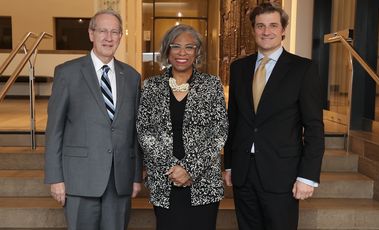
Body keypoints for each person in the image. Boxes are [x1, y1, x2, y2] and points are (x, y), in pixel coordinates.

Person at [224, 3, 324, 230]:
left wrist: (307, 176)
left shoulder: (303, 69)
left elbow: (314, 128)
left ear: (282, 30)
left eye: (272, 25)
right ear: (253, 30)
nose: (266, 31)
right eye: (260, 26)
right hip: (243, 172)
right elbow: (234, 120)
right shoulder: (239, 68)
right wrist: (229, 164)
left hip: (282, 173)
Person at [44, 9, 142, 230]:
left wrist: (136, 176)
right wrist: (55, 178)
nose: (108, 37)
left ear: (120, 37)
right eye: (103, 31)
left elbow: (135, 133)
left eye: (114, 32)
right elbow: (54, 130)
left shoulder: (132, 77)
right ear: (91, 34)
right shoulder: (67, 73)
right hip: (78, 179)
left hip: (119, 180)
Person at [137, 24, 228, 230]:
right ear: (167, 51)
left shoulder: (211, 85)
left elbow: (219, 131)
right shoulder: (151, 86)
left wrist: (189, 170)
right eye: (176, 46)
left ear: (197, 52)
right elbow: (145, 131)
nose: (182, 53)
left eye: (190, 47)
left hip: (203, 181)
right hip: (164, 179)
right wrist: (173, 170)